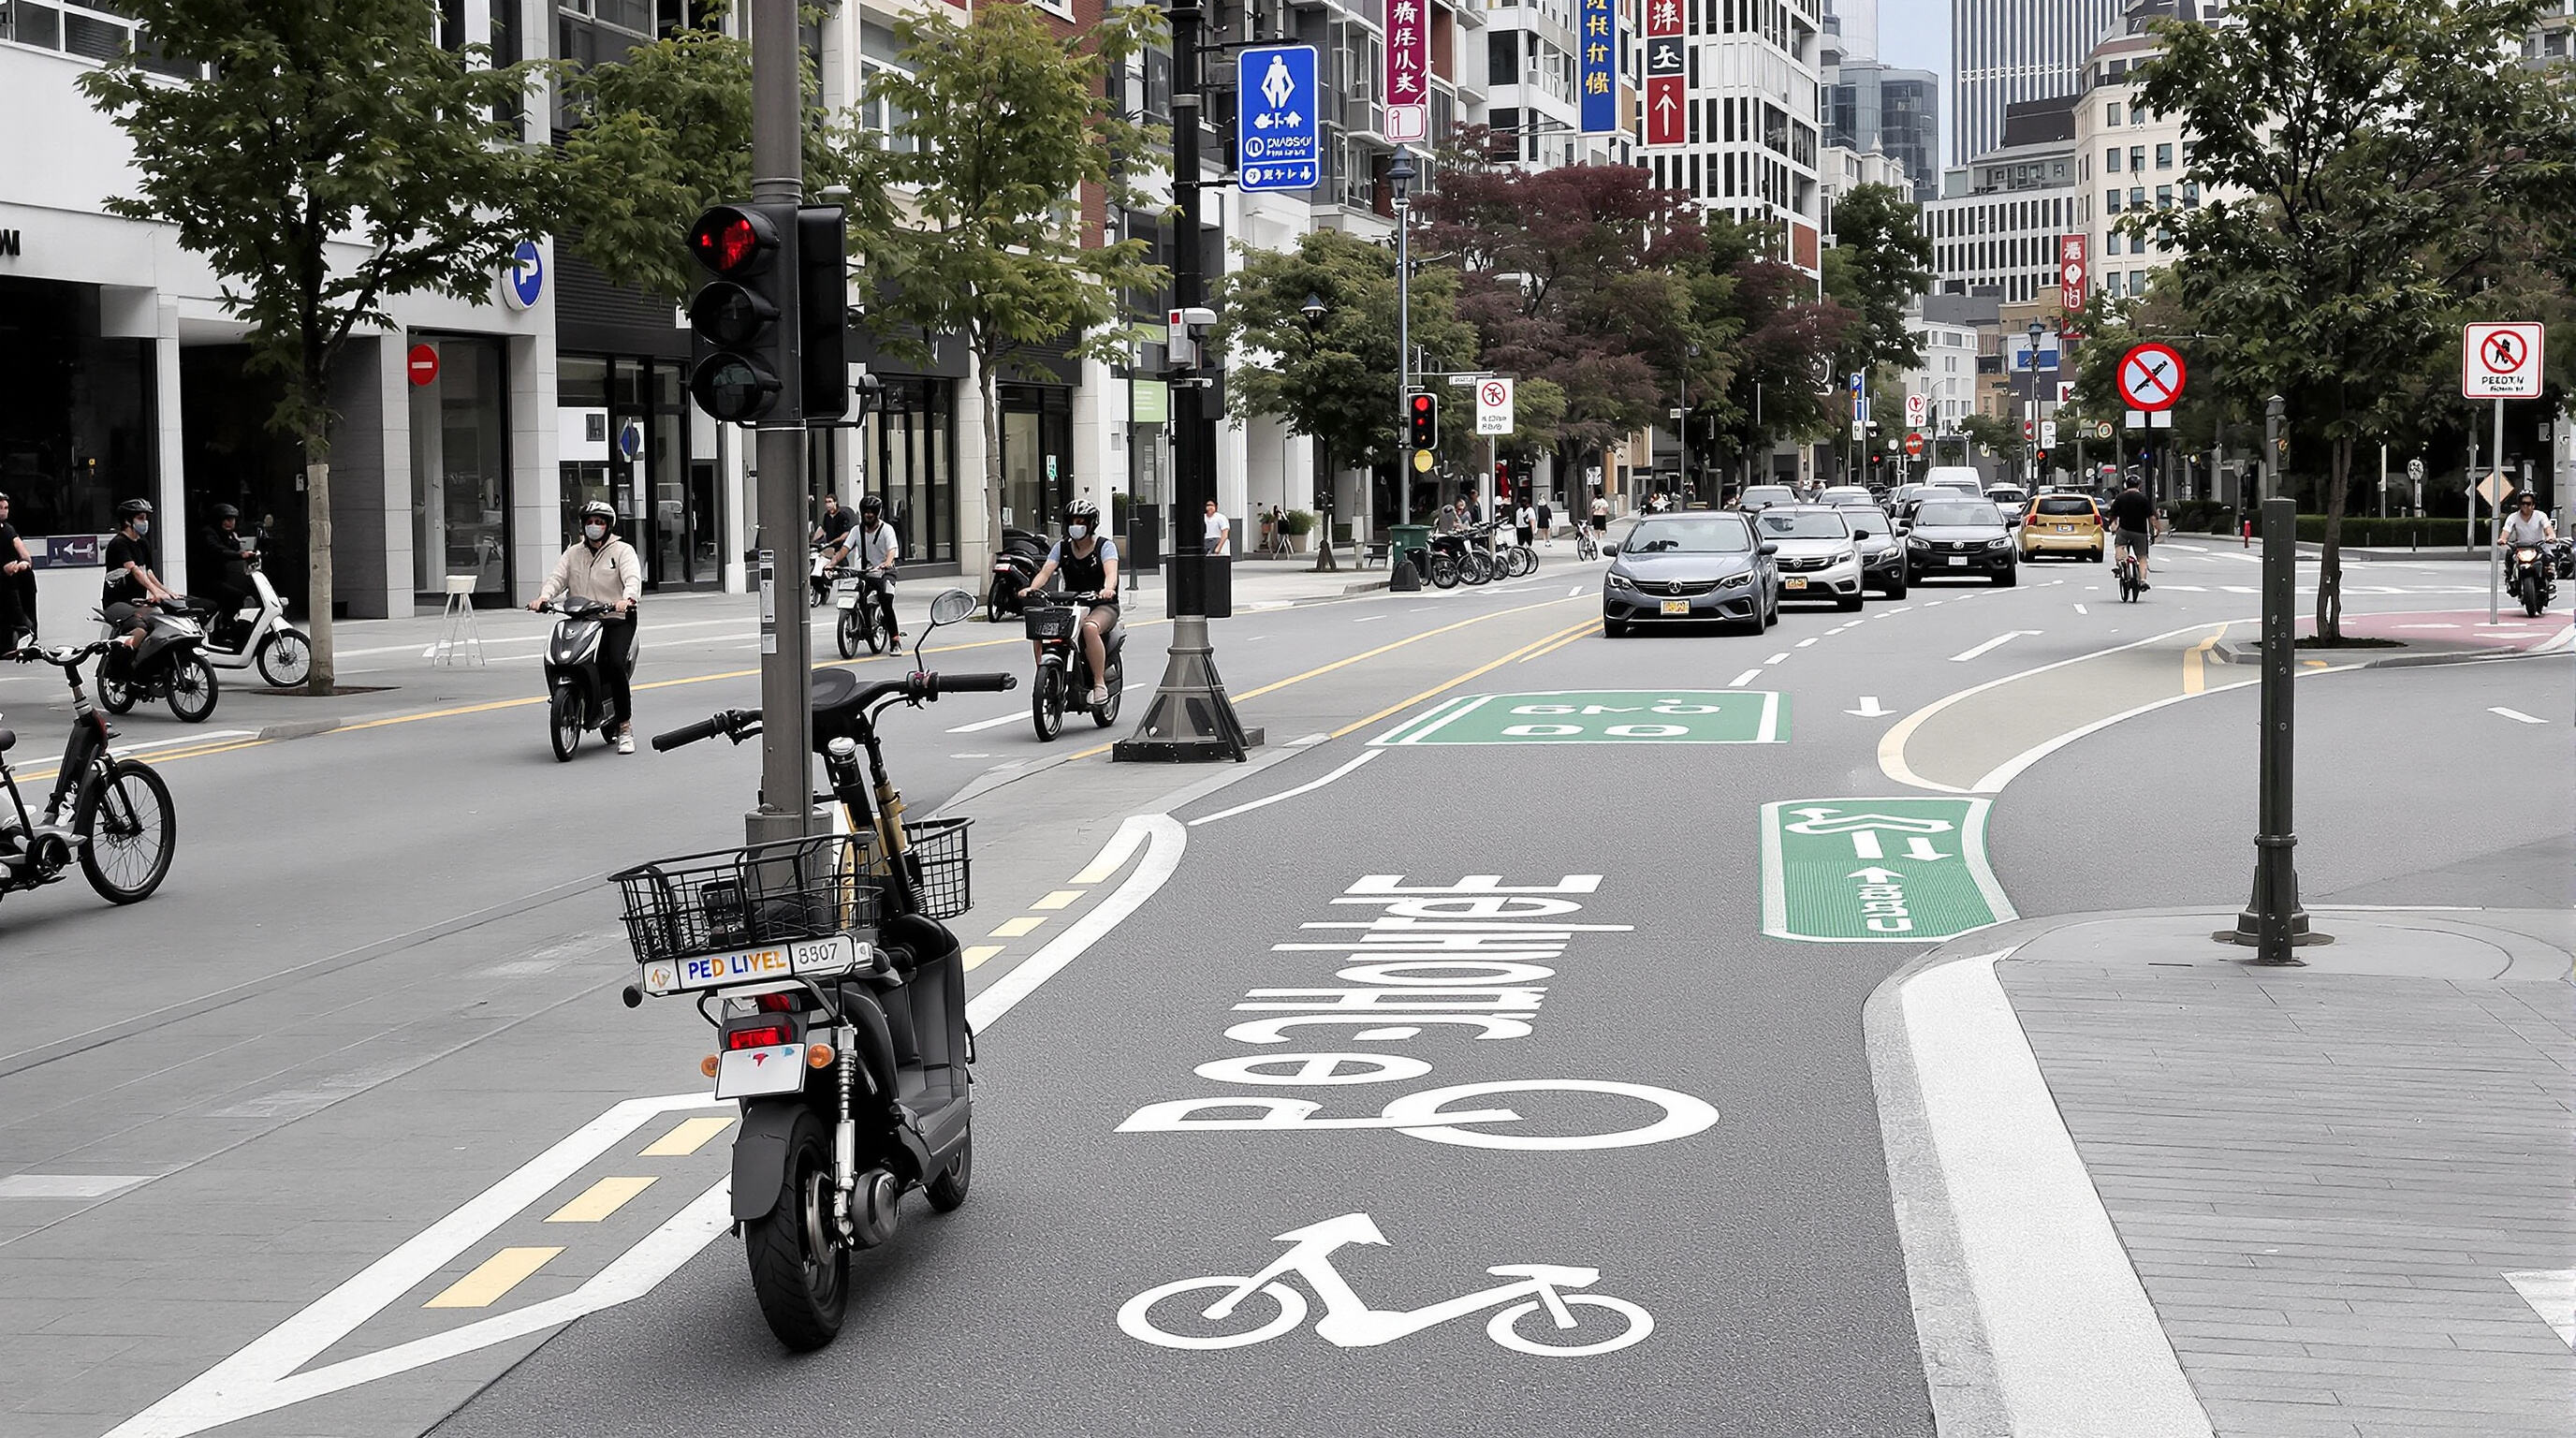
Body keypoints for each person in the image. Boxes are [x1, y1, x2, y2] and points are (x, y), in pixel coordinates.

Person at [530, 500, 643, 754]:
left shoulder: (622, 551)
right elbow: (557, 578)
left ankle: (624, 726)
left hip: (615, 618)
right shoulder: (573, 553)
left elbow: (632, 578)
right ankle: (568, 696)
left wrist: (628, 599)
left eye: (599, 522)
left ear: (608, 526)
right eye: (590, 522)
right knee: (558, 657)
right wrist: (544, 597)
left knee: (614, 664)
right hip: (580, 617)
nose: (594, 526)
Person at [1021, 500, 1120, 708]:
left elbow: (1111, 573)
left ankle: (1099, 683)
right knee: (1041, 629)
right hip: (1071, 603)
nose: (1076, 525)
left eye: (1081, 521)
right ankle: (1045, 673)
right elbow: (1046, 571)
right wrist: (1031, 589)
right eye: (1072, 521)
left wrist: (1107, 589)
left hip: (1101, 605)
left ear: (1091, 524)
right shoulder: (1062, 547)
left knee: (1090, 629)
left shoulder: (1105, 546)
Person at [101, 499, 178, 658]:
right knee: (140, 629)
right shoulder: (119, 543)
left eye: (146, 518)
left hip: (137, 602)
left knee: (163, 623)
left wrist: (166, 592)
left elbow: (148, 572)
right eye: (141, 518)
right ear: (128, 521)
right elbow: (135, 571)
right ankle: (121, 666)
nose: (145, 522)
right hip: (117, 603)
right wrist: (154, 592)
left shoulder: (143, 543)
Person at [192, 504, 260, 643]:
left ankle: (224, 627)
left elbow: (231, 549)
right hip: (205, 581)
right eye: (227, 519)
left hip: (218, 579)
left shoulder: (224, 535)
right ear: (218, 520)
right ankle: (223, 630)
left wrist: (234, 541)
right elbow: (219, 551)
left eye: (233, 519)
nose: (230, 523)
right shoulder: (208, 533)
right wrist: (241, 555)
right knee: (236, 597)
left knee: (236, 595)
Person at [850, 494, 903, 648]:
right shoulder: (856, 531)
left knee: (886, 600)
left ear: (877, 512)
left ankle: (895, 640)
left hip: (887, 572)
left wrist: (886, 563)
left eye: (872, 511)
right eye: (865, 511)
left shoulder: (887, 529)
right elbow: (844, 549)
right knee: (859, 595)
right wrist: (832, 563)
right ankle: (864, 627)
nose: (868, 514)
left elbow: (892, 550)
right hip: (867, 572)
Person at [2104, 476, 2155, 589]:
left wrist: (2112, 524)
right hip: (2140, 532)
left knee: (2119, 546)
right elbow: (2151, 517)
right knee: (2142, 557)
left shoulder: (2120, 498)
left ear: (2126, 485)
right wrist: (2156, 530)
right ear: (2139, 485)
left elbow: (2113, 515)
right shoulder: (2143, 499)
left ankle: (2121, 562)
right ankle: (2143, 580)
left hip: (2124, 530)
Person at [2498, 492, 2557, 582]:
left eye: (2528, 503)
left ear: (2533, 505)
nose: (2525, 506)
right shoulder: (2513, 517)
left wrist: (2551, 536)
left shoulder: (2541, 515)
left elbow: (2547, 528)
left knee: (2548, 554)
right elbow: (2506, 530)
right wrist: (2503, 539)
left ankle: (2550, 573)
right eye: (2523, 503)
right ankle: (2510, 577)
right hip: (2520, 547)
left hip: (2538, 545)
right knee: (2509, 554)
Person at [0, 492, 33, 650]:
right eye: (0, 508)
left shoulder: (8, 529)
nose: (4, 511)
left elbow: (25, 555)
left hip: (10, 584)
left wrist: (23, 563)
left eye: (6, 507)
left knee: (21, 618)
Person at [812, 493, 858, 604]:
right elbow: (822, 529)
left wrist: (833, 542)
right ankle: (823, 589)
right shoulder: (826, 516)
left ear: (835, 502)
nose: (828, 504)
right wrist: (813, 541)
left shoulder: (843, 515)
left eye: (830, 502)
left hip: (841, 546)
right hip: (829, 547)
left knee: (842, 569)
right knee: (816, 572)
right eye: (826, 502)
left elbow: (846, 533)